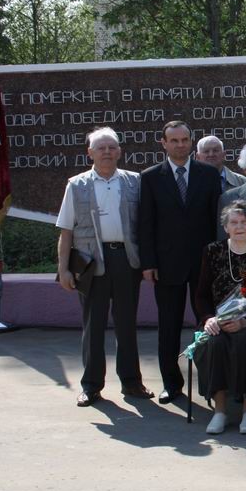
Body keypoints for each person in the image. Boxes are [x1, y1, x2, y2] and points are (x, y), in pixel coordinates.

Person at [56, 127, 153, 407]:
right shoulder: (77, 185)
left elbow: (146, 227)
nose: (107, 152)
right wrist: (63, 269)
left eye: (112, 147)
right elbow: (66, 231)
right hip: (90, 264)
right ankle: (91, 386)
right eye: (101, 148)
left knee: (126, 324)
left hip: (126, 260)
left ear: (120, 151)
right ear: (90, 153)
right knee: (93, 325)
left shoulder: (135, 182)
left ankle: (132, 382)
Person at [139, 121, 221, 404]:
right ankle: (171, 383)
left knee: (208, 323)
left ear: (190, 142)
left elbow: (215, 221)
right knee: (169, 326)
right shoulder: (150, 177)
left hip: (204, 265)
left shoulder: (209, 175)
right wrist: (148, 263)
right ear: (163, 143)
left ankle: (211, 382)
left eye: (185, 140)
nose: (180, 145)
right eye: (173, 140)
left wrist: (219, 261)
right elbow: (146, 223)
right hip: (167, 265)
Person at [193, 201, 246, 434]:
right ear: (226, 227)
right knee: (214, 343)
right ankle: (219, 411)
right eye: (233, 223)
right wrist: (209, 319)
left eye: (244, 222)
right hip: (219, 320)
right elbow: (201, 295)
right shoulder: (213, 251)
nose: (239, 227)